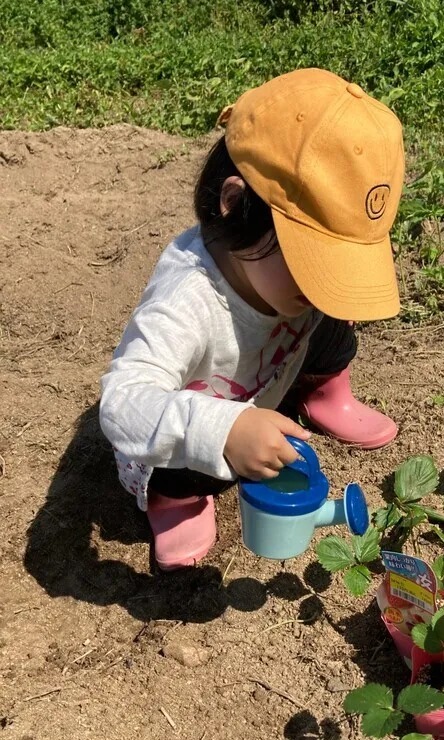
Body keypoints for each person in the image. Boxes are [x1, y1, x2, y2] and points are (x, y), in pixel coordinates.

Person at [99, 68, 405, 571]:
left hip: (263, 372)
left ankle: (327, 394)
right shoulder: (188, 303)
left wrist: (324, 292)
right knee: (189, 458)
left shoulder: (279, 284)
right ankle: (175, 502)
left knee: (329, 318)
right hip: (193, 417)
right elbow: (123, 402)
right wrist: (223, 431)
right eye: (312, 260)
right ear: (235, 204)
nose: (323, 285)